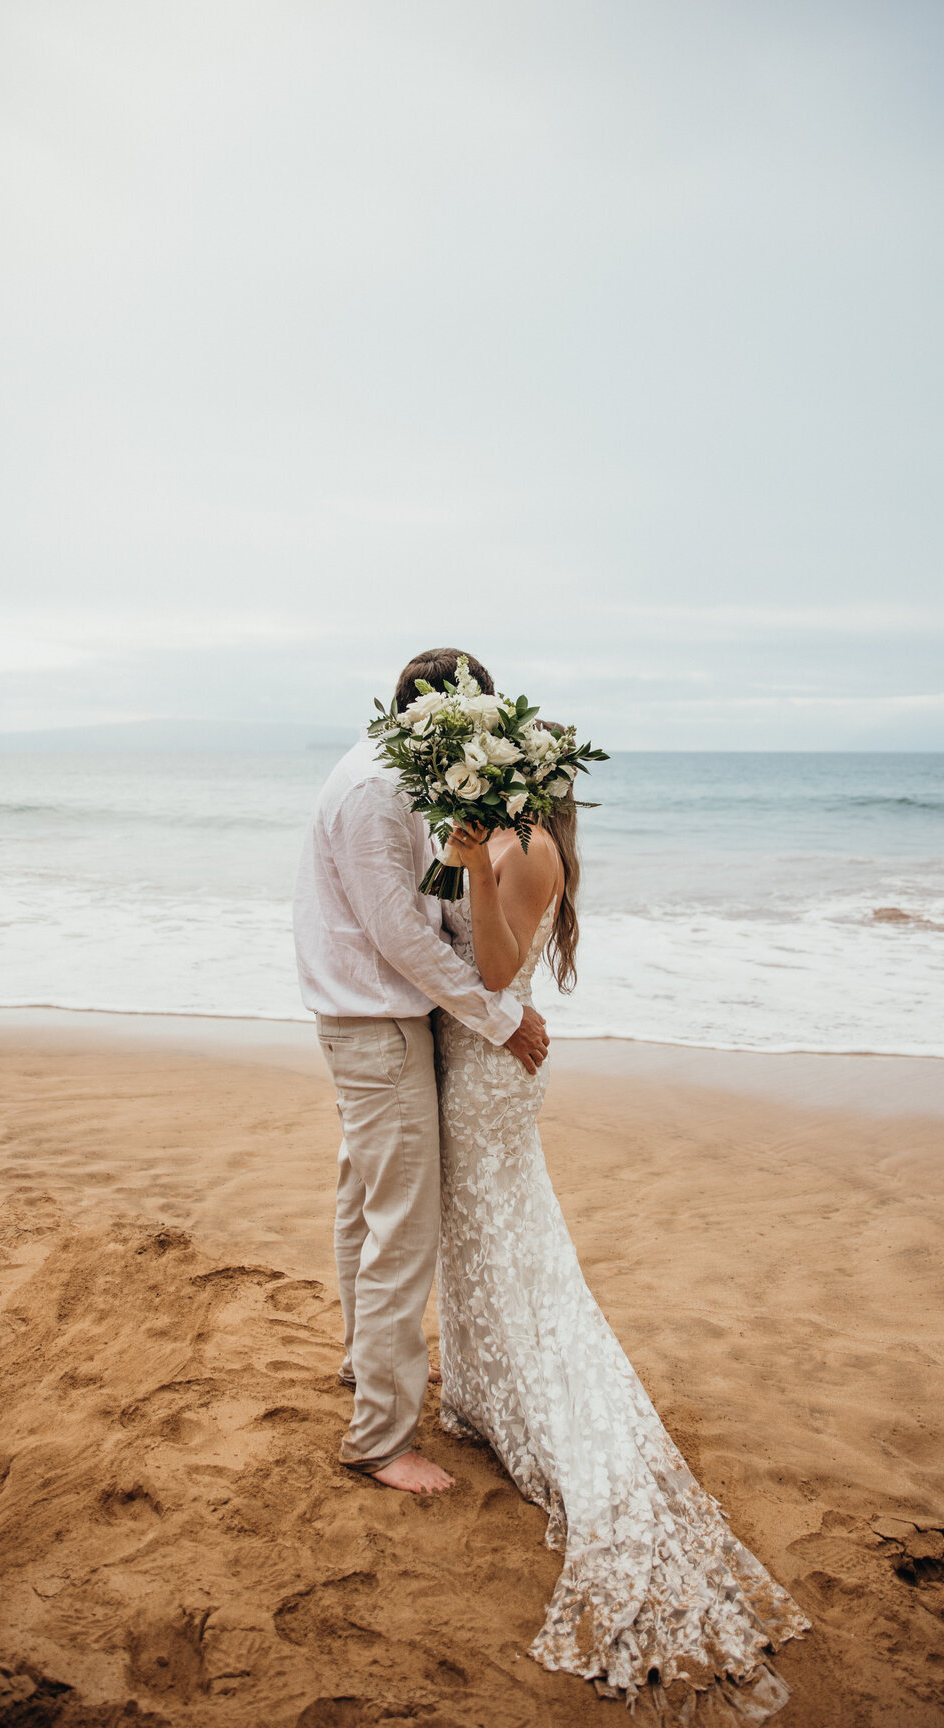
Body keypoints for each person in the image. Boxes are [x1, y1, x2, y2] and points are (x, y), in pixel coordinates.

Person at [434, 775, 810, 1715]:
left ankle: (523, 1405)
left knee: (509, 1243)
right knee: (493, 1242)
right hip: (477, 1063)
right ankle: (484, 1392)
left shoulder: (531, 853)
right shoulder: (516, 844)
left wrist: (474, 864)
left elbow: (491, 973)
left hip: (484, 1072)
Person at [293, 648, 549, 1497]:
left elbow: (421, 903)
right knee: (402, 1226)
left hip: (374, 1022)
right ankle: (379, 1439)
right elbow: (399, 932)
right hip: (376, 1026)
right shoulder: (374, 789)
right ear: (439, 720)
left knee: (366, 1208)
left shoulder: (396, 780)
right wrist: (500, 1015)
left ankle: (367, 1365)